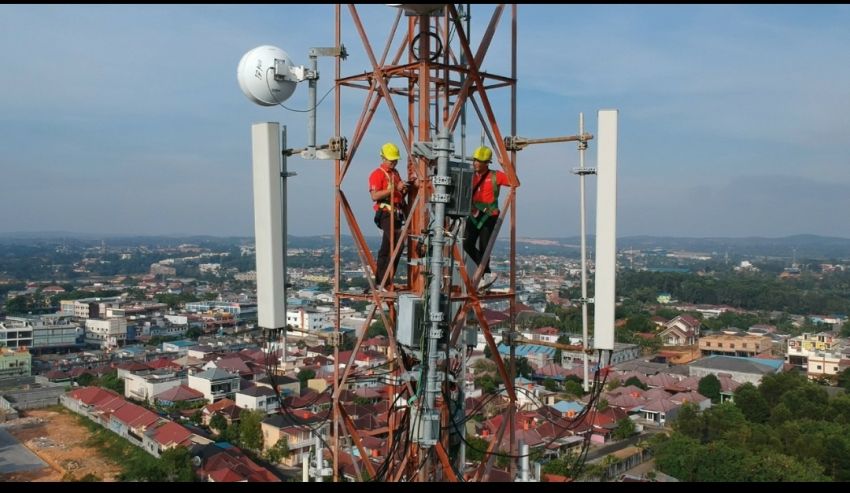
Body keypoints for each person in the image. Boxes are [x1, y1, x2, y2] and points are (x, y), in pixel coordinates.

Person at [463, 145, 515, 291]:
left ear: (487, 163)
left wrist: (505, 165)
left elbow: (514, 182)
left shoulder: (496, 176)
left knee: (485, 248)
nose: (475, 163)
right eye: (475, 160)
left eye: (479, 161)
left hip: (489, 216)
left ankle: (485, 274)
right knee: (467, 244)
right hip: (474, 214)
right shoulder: (471, 176)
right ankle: (486, 272)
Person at [368, 142, 408, 291]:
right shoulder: (377, 174)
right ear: (383, 158)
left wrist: (402, 189)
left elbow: (398, 193)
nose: (393, 163)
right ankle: (383, 281)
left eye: (395, 160)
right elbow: (375, 195)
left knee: (388, 247)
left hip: (396, 212)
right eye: (391, 160)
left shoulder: (395, 174)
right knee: (396, 244)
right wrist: (393, 190)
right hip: (385, 213)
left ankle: (383, 281)